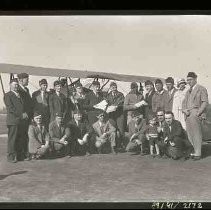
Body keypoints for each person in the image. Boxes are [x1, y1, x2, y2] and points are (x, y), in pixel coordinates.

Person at [182, 72, 209, 160]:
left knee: (197, 133)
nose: (188, 82)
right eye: (187, 80)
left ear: (195, 79)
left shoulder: (201, 89)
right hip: (187, 114)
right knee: (190, 134)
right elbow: (184, 103)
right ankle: (195, 150)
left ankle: (198, 153)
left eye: (190, 79)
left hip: (196, 113)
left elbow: (205, 102)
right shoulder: (187, 91)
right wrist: (184, 110)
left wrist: (199, 113)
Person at [4, 79, 25, 163]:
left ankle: (19, 156)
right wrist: (21, 114)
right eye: (14, 84)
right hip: (12, 121)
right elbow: (10, 108)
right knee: (12, 139)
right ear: (10, 85)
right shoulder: (8, 95)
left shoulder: (19, 95)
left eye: (17, 85)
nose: (16, 86)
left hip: (20, 121)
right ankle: (11, 157)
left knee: (19, 138)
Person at [17, 73, 33, 161]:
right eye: (27, 79)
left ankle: (25, 153)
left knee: (25, 136)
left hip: (28, 117)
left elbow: (29, 103)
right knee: (21, 136)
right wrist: (22, 113)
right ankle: (20, 155)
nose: (28, 81)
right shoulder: (18, 89)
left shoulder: (26, 89)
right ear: (20, 80)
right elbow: (19, 104)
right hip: (22, 117)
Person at [106, 82, 125, 149]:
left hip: (119, 114)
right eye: (113, 87)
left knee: (121, 130)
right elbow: (106, 103)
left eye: (115, 87)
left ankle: (121, 144)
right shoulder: (108, 95)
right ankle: (114, 145)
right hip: (111, 115)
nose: (114, 88)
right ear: (110, 88)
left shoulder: (121, 94)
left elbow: (123, 103)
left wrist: (116, 106)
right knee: (113, 130)